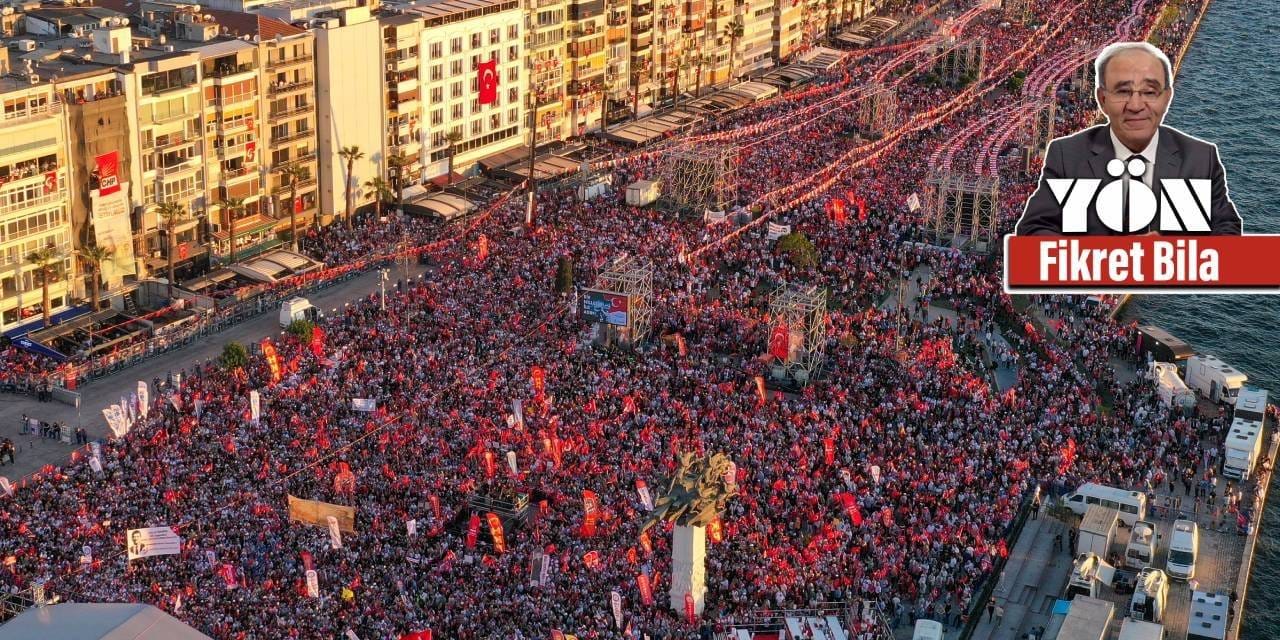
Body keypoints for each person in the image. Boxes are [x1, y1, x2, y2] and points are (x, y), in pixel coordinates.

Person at [1015, 41, 1242, 236]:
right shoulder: (1066, 156)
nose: (1135, 106)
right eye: (1123, 92)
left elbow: (1228, 230)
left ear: (1166, 98)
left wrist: (1171, 250)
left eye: (1149, 92)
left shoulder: (1201, 159)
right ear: (1102, 99)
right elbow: (1033, 231)